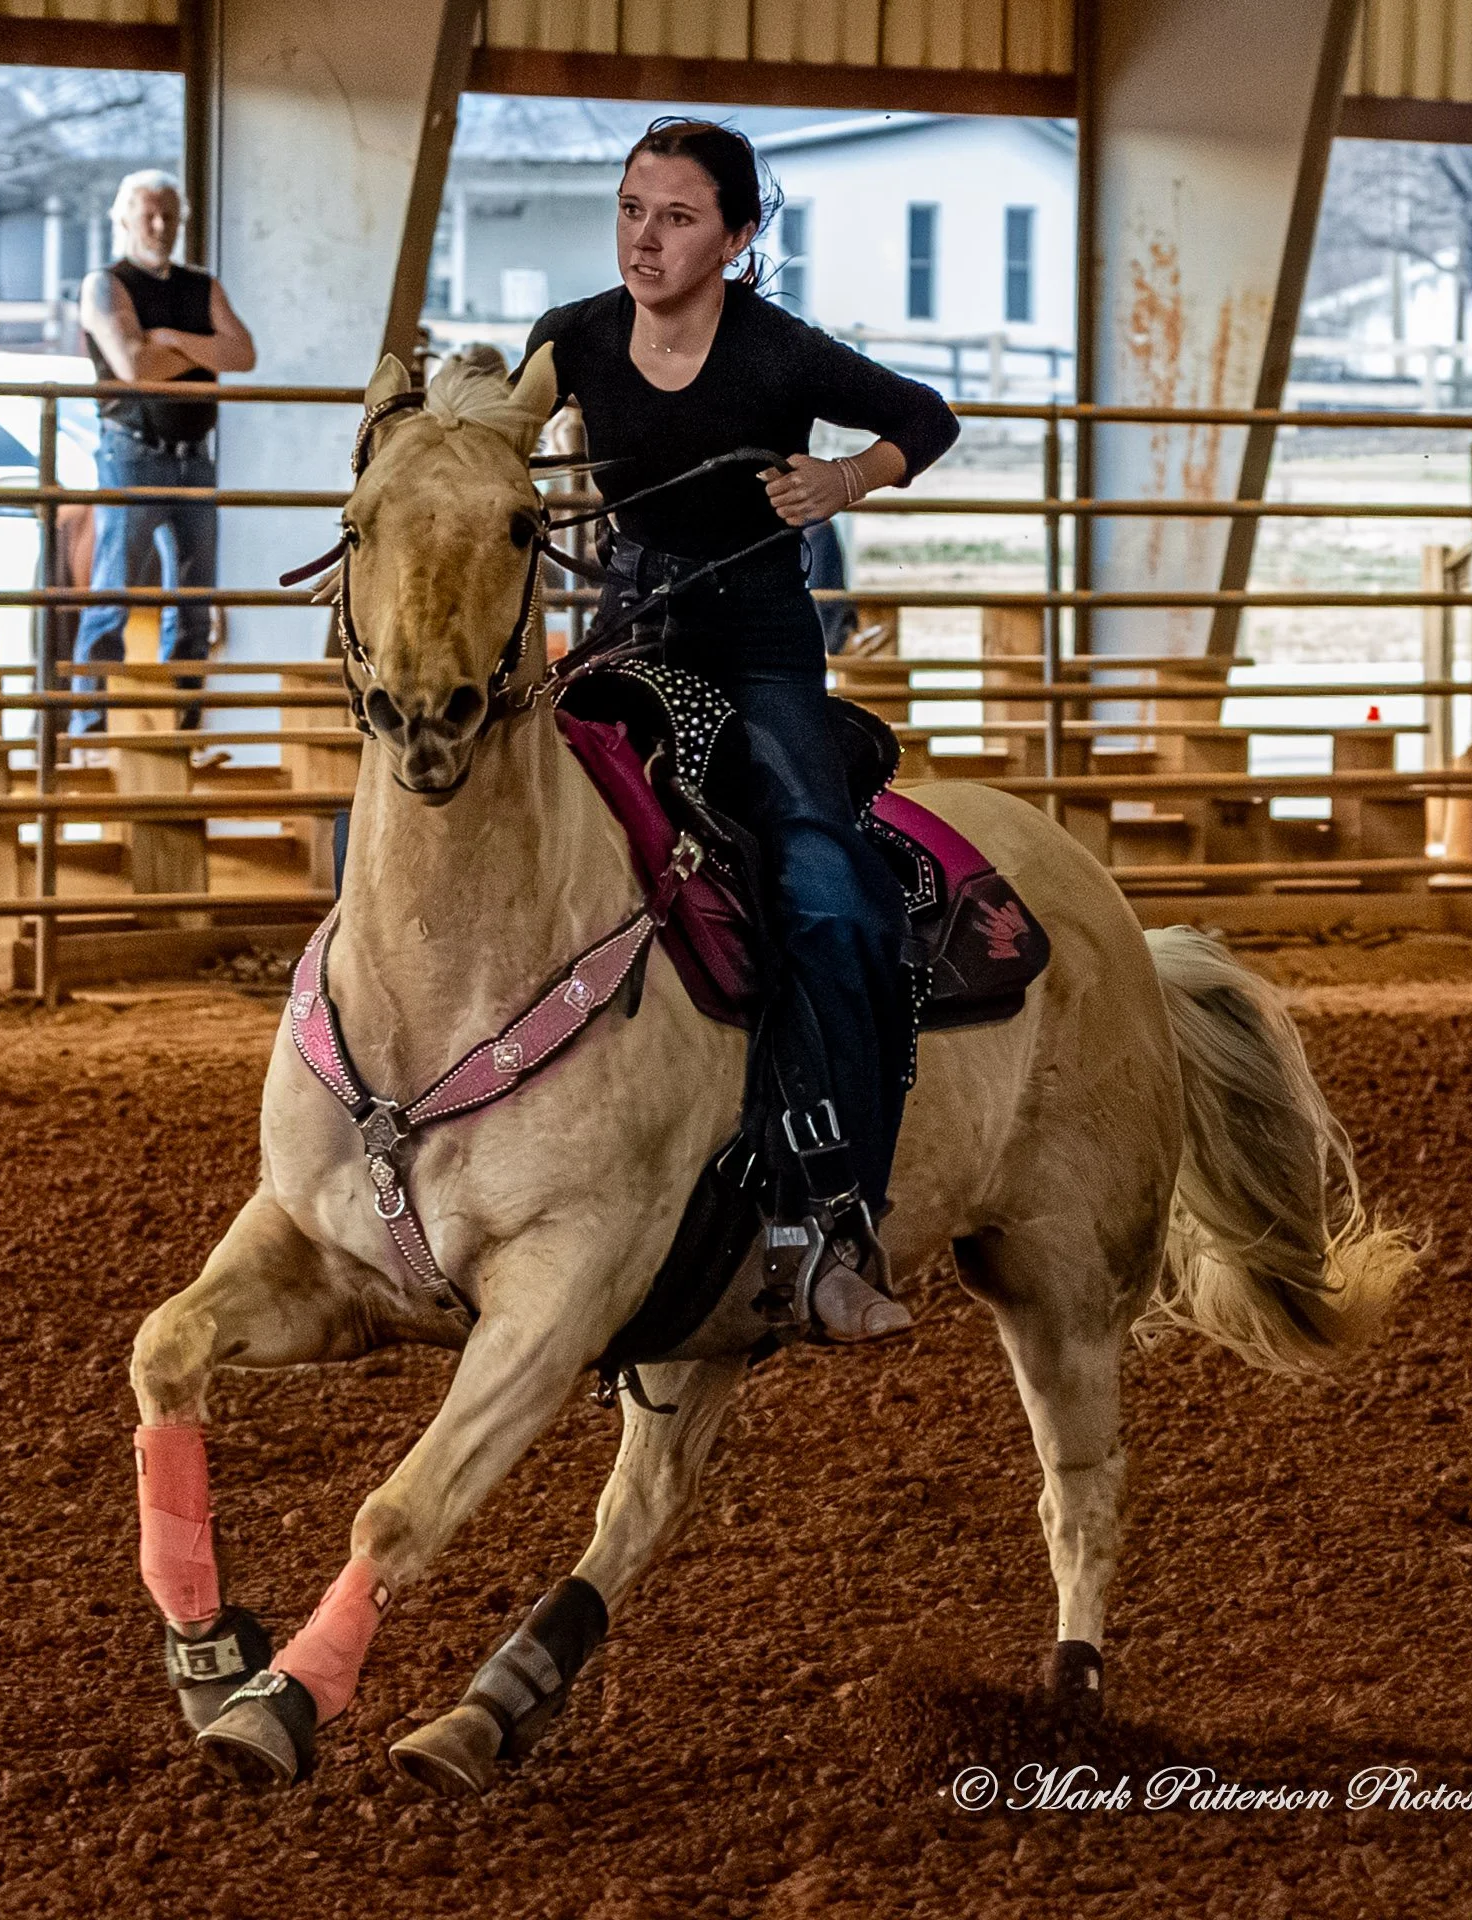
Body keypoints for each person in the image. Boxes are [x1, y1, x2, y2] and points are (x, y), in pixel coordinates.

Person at [515, 119, 958, 1345]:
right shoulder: (575, 337)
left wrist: (846, 481)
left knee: (826, 887)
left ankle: (832, 1219)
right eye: (629, 211)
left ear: (738, 236)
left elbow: (925, 416)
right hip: (628, 621)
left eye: (676, 218)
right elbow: (502, 431)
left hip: (762, 635)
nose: (644, 239)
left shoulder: (776, 351)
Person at [74, 169, 256, 737]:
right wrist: (203, 351)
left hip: (195, 456)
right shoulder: (106, 284)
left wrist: (171, 340)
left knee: (197, 604)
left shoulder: (201, 284)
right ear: (124, 216)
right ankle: (88, 729)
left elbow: (244, 353)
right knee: (114, 595)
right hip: (132, 453)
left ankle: (184, 730)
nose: (160, 226)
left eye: (170, 216)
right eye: (150, 214)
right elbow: (133, 367)